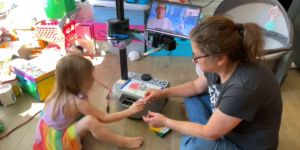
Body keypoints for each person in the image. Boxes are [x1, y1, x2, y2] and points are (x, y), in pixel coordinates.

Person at [143, 15, 283, 150]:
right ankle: (206, 129)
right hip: (229, 125)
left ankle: (203, 130)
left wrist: (166, 122)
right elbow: (196, 87)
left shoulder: (243, 87)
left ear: (220, 58)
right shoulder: (221, 63)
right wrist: (162, 93)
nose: (193, 60)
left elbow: (210, 134)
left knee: (192, 146)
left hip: (243, 144)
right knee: (191, 96)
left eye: (197, 56)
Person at [33, 54, 145, 150]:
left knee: (89, 113)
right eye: (88, 78)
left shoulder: (60, 90)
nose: (93, 79)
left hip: (47, 129)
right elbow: (104, 118)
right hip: (59, 141)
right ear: (75, 81)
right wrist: (129, 111)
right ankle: (121, 141)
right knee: (91, 120)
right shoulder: (76, 102)